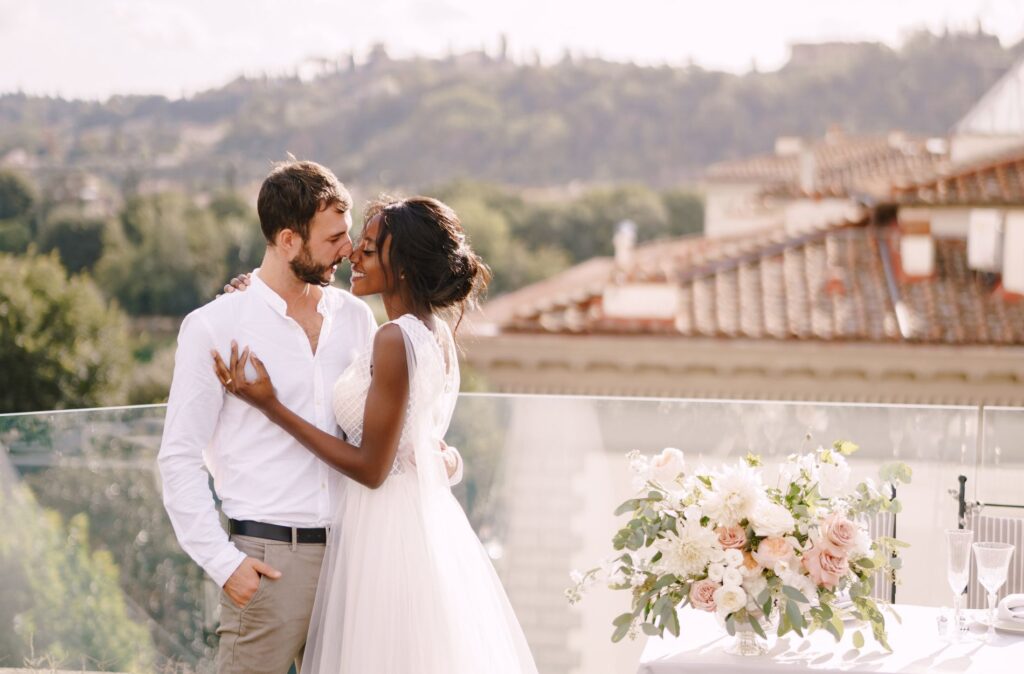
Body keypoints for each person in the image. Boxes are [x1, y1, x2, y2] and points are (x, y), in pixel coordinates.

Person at [158, 160, 462, 674]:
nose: (348, 250)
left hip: (356, 563)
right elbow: (179, 458)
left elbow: (387, 427)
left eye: (350, 236)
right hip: (271, 565)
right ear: (287, 240)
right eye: (334, 238)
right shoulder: (216, 326)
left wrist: (437, 456)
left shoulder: (357, 318)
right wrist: (225, 564)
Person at [215, 196, 538, 673]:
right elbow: (417, 441)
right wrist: (262, 293)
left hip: (385, 532)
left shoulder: (394, 340)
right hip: (415, 524)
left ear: (401, 265)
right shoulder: (432, 333)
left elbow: (371, 468)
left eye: (367, 249)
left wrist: (270, 406)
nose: (352, 256)